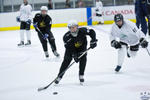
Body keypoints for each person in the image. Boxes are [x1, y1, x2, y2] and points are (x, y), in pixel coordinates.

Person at [54, 20, 97, 84]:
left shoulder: (83, 31)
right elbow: (69, 47)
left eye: (73, 27)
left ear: (77, 27)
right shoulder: (66, 37)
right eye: (70, 28)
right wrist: (74, 55)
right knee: (66, 60)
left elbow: (92, 32)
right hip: (70, 50)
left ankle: (81, 75)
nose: (72, 29)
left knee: (83, 58)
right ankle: (59, 76)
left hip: (82, 48)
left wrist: (93, 40)